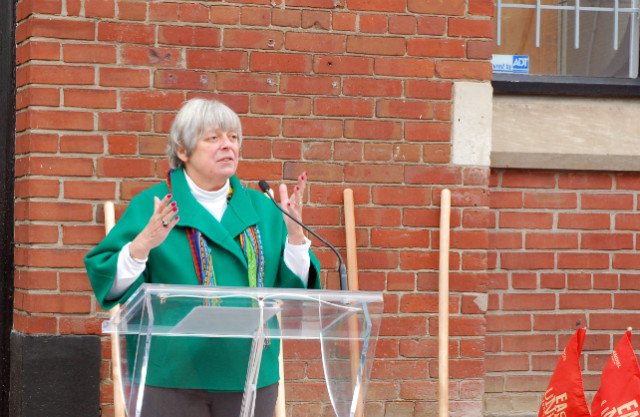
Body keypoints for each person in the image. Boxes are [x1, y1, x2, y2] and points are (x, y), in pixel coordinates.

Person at [84, 98, 321, 417]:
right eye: (214, 138)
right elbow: (110, 286)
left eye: (233, 137)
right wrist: (141, 245)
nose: (228, 145)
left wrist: (295, 236)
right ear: (183, 150)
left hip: (250, 375)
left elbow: (296, 293)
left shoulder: (263, 208)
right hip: (171, 376)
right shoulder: (153, 206)